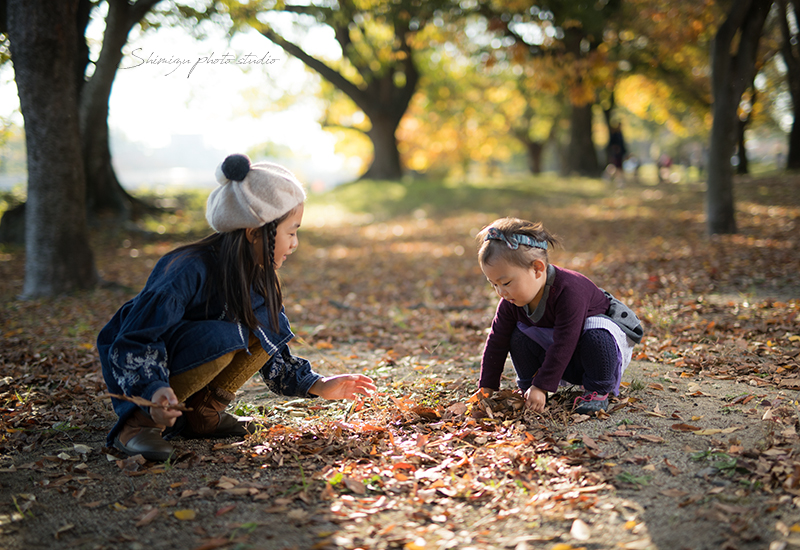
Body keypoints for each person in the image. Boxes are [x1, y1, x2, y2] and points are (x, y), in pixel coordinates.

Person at [98, 154, 376, 461]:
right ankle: (137, 426)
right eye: (291, 231)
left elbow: (272, 348)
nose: (295, 243)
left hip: (191, 358)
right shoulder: (186, 269)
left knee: (263, 327)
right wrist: (153, 390)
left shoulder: (257, 277)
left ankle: (202, 414)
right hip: (150, 371)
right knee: (222, 337)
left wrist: (319, 385)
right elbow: (136, 339)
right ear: (255, 233)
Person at [474, 218, 643, 415]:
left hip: (599, 355)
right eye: (494, 284)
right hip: (560, 356)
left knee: (596, 333)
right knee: (517, 336)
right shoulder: (510, 302)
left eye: (506, 282)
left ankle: (598, 390)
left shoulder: (570, 290)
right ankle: (529, 386)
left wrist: (543, 385)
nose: (500, 292)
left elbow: (566, 340)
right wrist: (487, 386)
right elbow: (496, 341)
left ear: (537, 268)